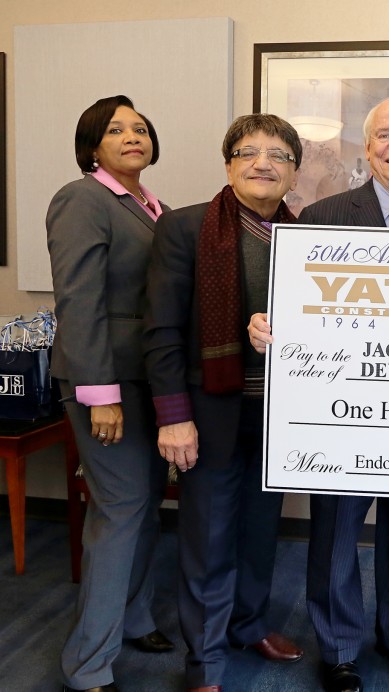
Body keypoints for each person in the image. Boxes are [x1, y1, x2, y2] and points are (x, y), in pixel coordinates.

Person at [249, 96, 389, 692]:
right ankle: (340, 649)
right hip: (341, 412)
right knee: (336, 534)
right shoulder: (320, 217)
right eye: (384, 136)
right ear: (368, 148)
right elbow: (293, 307)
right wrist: (267, 326)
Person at [143, 114, 306, 692]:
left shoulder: (307, 239)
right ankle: (206, 662)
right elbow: (161, 331)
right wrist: (173, 416)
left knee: (262, 531)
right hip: (208, 411)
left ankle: (249, 624)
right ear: (228, 164)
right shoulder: (185, 228)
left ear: (294, 173)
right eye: (248, 151)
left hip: (276, 414)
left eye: (278, 154)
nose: (263, 163)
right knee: (208, 537)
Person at [47, 95, 174, 692]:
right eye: (116, 129)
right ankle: (88, 664)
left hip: (150, 382)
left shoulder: (150, 205)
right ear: (91, 144)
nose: (132, 136)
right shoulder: (83, 199)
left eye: (140, 128)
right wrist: (100, 395)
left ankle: (136, 617)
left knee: (146, 506)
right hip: (106, 384)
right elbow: (79, 301)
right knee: (120, 511)